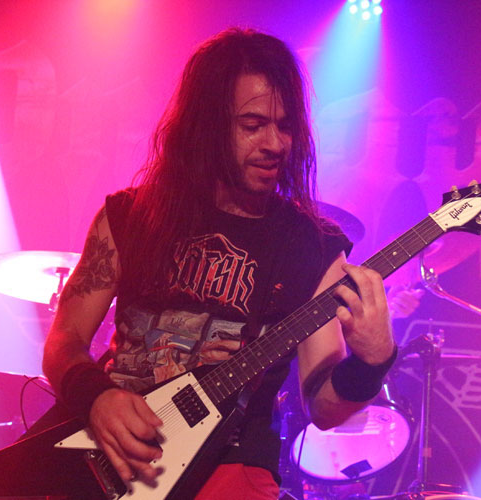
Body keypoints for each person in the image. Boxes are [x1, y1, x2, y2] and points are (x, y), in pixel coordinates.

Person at [42, 27, 395, 500]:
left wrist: (372, 361)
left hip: (231, 464)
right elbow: (63, 341)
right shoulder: (128, 216)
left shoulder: (312, 246)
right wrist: (97, 397)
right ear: (207, 126)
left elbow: (324, 409)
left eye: (285, 126)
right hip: (113, 455)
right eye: (253, 125)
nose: (276, 143)